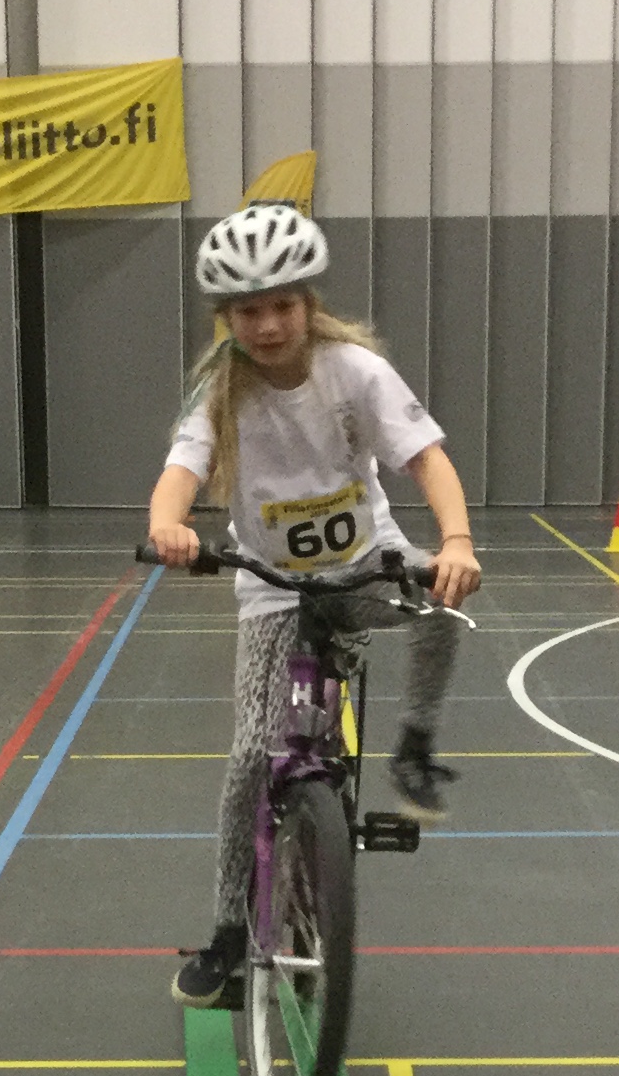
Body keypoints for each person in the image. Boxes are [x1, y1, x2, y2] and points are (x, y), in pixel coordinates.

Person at [146, 201, 481, 1011]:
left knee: (443, 606)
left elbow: (426, 458)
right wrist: (167, 524)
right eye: (247, 311)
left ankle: (414, 745)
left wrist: (458, 541)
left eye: (282, 306)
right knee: (250, 758)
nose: (267, 325)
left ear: (309, 303)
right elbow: (182, 470)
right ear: (226, 319)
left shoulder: (354, 372)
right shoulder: (220, 391)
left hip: (362, 566)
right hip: (274, 587)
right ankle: (229, 931)